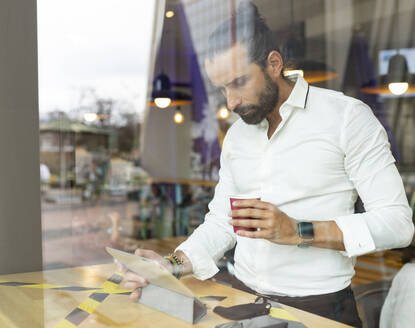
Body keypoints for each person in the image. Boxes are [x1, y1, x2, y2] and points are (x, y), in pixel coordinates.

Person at [123, 3, 413, 326]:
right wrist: (170, 265)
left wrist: (297, 230)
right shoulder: (236, 136)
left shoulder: (347, 119)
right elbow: (222, 222)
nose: (231, 102)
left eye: (238, 82)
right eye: (222, 88)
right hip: (243, 304)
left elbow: (397, 224)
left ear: (274, 63)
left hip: (320, 310)